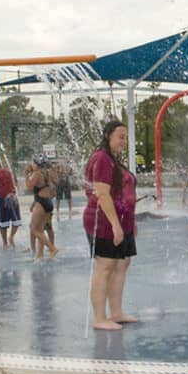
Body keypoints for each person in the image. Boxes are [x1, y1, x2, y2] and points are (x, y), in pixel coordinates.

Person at [83, 121, 138, 330]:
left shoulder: (114, 160)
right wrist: (116, 226)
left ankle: (116, 312)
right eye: (120, 136)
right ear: (108, 136)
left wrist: (128, 224)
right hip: (104, 221)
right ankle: (99, 318)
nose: (124, 141)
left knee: (122, 264)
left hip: (123, 221)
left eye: (125, 137)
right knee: (105, 266)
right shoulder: (102, 159)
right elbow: (103, 194)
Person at [24, 154, 59, 260]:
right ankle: (40, 255)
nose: (32, 164)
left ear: (37, 164)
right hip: (47, 202)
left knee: (33, 229)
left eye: (33, 163)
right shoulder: (47, 173)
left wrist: (26, 174)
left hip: (41, 204)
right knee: (40, 230)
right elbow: (52, 190)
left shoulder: (37, 173)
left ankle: (52, 248)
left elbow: (29, 186)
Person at [0, 161, 21, 247]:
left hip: (1, 200)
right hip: (13, 198)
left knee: (3, 223)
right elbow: (16, 184)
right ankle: (11, 237)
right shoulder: (10, 171)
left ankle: (5, 243)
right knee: (16, 220)